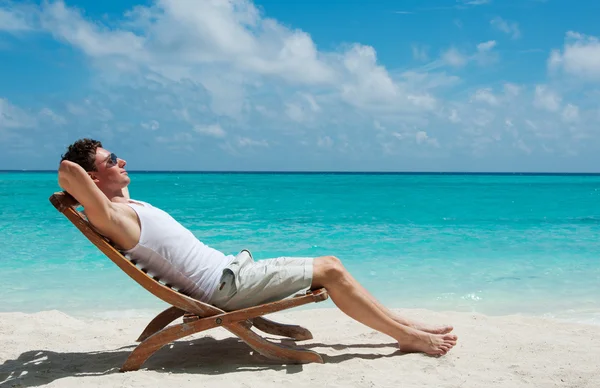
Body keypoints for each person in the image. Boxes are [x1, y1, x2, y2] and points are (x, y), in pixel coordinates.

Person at [58, 138, 458, 356]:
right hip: (226, 288)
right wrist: (84, 173)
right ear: (94, 177)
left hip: (230, 274)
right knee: (331, 269)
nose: (123, 159)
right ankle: (406, 337)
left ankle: (405, 325)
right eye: (112, 159)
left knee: (332, 262)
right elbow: (69, 172)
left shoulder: (127, 205)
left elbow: (82, 176)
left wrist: (102, 170)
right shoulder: (114, 217)